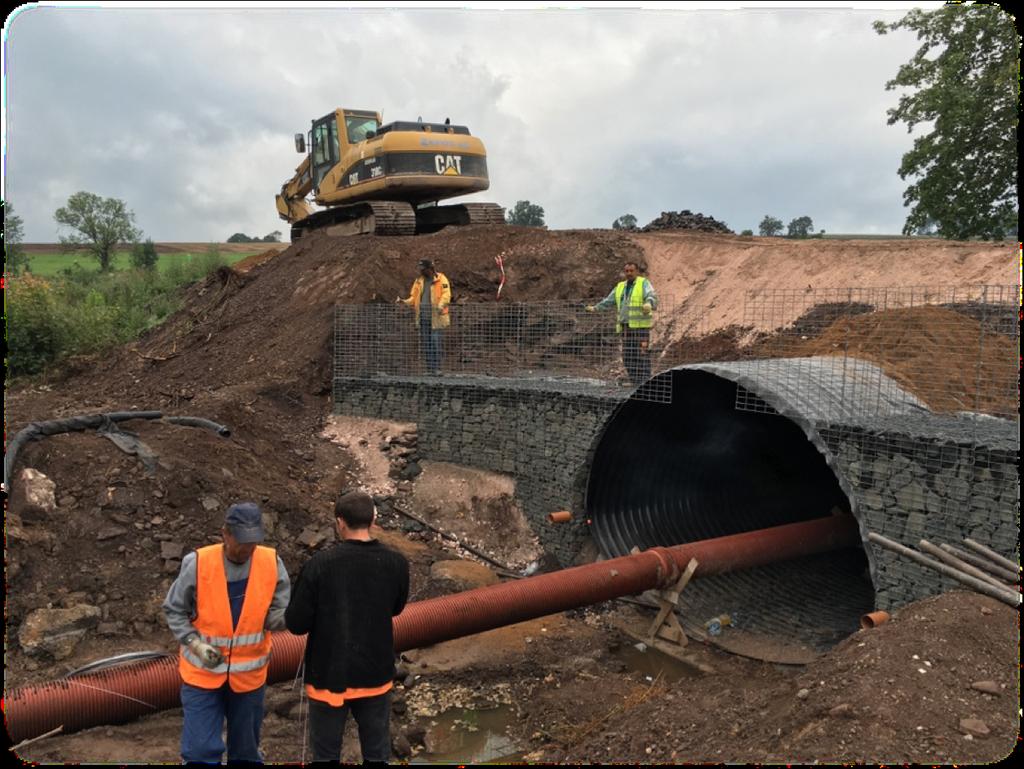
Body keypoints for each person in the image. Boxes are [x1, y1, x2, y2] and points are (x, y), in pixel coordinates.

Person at [285, 489, 410, 765]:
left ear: (339, 522)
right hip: (376, 676)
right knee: (377, 756)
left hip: (329, 678)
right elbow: (397, 609)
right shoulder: (396, 563)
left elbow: (296, 624)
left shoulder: (319, 565)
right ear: (373, 520)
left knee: (326, 756)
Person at [163, 502, 291, 764]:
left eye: (253, 542)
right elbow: (174, 609)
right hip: (203, 675)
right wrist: (194, 643)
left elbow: (277, 613)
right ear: (225, 534)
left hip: (249, 678)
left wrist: (297, 617)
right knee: (199, 752)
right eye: (242, 542)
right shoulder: (198, 563)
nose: (247, 549)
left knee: (245, 753)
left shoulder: (270, 562)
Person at [586, 261, 659, 386]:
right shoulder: (620, 286)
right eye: (627, 271)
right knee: (628, 355)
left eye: (631, 271)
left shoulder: (643, 283)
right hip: (626, 327)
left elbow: (651, 294)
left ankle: (645, 383)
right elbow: (609, 300)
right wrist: (596, 308)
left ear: (636, 271)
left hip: (641, 328)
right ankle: (635, 381)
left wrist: (649, 303)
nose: (629, 273)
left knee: (642, 354)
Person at [396, 258, 451, 374]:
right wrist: (404, 301)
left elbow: (446, 294)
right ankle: (430, 369)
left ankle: (437, 369)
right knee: (427, 344)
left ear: (430, 269)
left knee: (435, 343)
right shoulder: (419, 281)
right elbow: (413, 298)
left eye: (423, 269)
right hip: (423, 318)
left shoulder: (441, 279)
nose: (421, 272)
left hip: (437, 318)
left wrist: (440, 305)